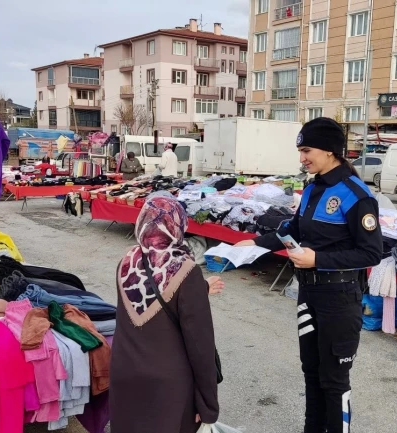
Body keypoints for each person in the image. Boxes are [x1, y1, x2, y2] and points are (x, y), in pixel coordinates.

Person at [235, 117, 382, 433]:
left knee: (334, 380)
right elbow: (294, 231)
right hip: (309, 295)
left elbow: (372, 252)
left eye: (306, 150)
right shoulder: (314, 188)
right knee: (311, 374)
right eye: (300, 150)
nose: (302, 158)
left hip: (340, 300)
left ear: (330, 151)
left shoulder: (356, 194)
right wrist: (254, 243)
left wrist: (319, 258)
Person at [111, 195, 221, 433]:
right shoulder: (185, 269)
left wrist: (200, 290)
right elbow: (200, 346)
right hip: (168, 386)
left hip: (125, 375)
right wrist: (208, 405)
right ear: (177, 225)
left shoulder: (126, 261)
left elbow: (149, 295)